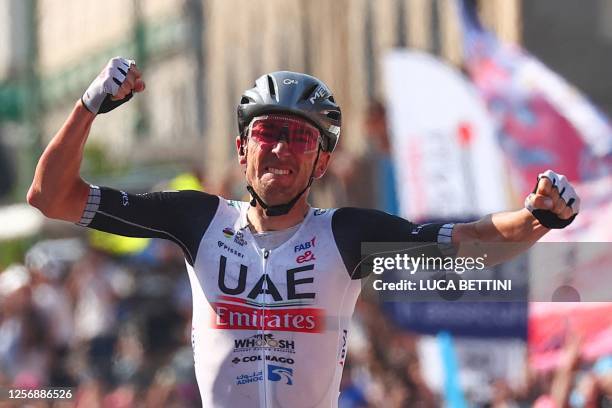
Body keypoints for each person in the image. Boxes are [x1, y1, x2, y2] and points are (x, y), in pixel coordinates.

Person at [27, 57, 580, 407]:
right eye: (268, 132)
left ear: (321, 164)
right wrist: (89, 106)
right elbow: (52, 197)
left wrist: (538, 218)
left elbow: (470, 246)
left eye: (300, 138)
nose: (281, 150)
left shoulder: (346, 235)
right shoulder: (197, 219)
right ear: (242, 148)